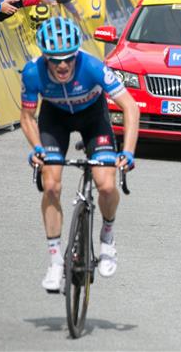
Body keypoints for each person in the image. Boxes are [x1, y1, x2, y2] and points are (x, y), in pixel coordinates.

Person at [20, 17, 140, 292]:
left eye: (67, 59)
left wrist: (128, 152)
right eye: (54, 59)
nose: (62, 65)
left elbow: (130, 108)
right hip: (55, 120)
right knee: (50, 185)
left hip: (93, 119)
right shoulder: (32, 72)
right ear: (45, 57)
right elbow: (27, 116)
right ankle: (55, 262)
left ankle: (107, 237)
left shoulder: (93, 67)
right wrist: (36, 148)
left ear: (76, 54)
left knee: (107, 185)